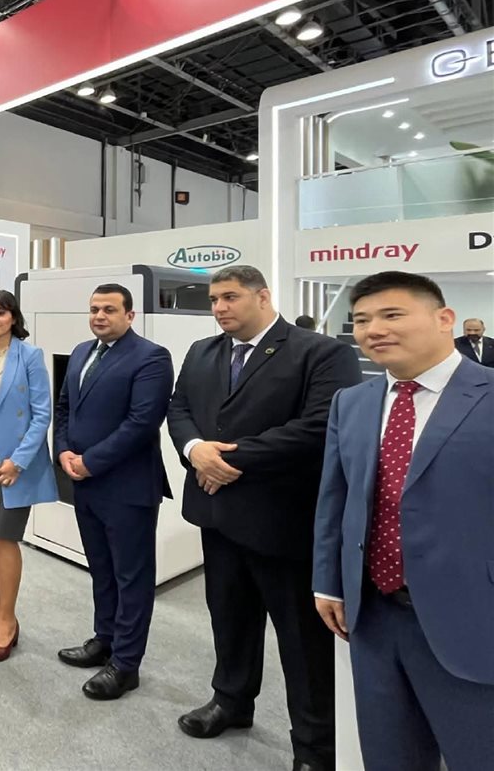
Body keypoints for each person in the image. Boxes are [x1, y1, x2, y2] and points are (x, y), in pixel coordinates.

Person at [168, 265, 360, 771]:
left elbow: (319, 426)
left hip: (282, 523)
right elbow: (179, 409)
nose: (219, 308)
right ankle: (231, 701)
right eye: (214, 299)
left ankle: (315, 747)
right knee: (229, 618)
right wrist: (194, 449)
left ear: (263, 296)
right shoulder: (202, 351)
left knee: (302, 642)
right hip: (217, 516)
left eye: (230, 297)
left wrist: (226, 461)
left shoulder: (321, 353)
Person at [313, 272, 494, 771]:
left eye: (392, 315)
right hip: (374, 616)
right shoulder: (352, 402)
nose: (373, 330)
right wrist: (328, 581)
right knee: (389, 756)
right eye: (361, 320)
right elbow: (336, 498)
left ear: (444, 319)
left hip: (474, 619)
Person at [54, 284, 174, 699]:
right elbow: (64, 408)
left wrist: (90, 461)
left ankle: (126, 663)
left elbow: (141, 424)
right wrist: (63, 451)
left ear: (130, 315)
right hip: (85, 484)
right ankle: (104, 639)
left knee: (131, 577)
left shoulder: (151, 357)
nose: (99, 316)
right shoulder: (81, 353)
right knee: (101, 568)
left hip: (127, 487)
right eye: (94, 309)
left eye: (109, 309)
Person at [0, 289, 56, 662]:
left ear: (13, 318)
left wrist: (18, 460)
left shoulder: (30, 356)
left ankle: (8, 620)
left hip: (13, 459)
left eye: (0, 313)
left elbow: (42, 413)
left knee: (5, 536)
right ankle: (0, 608)